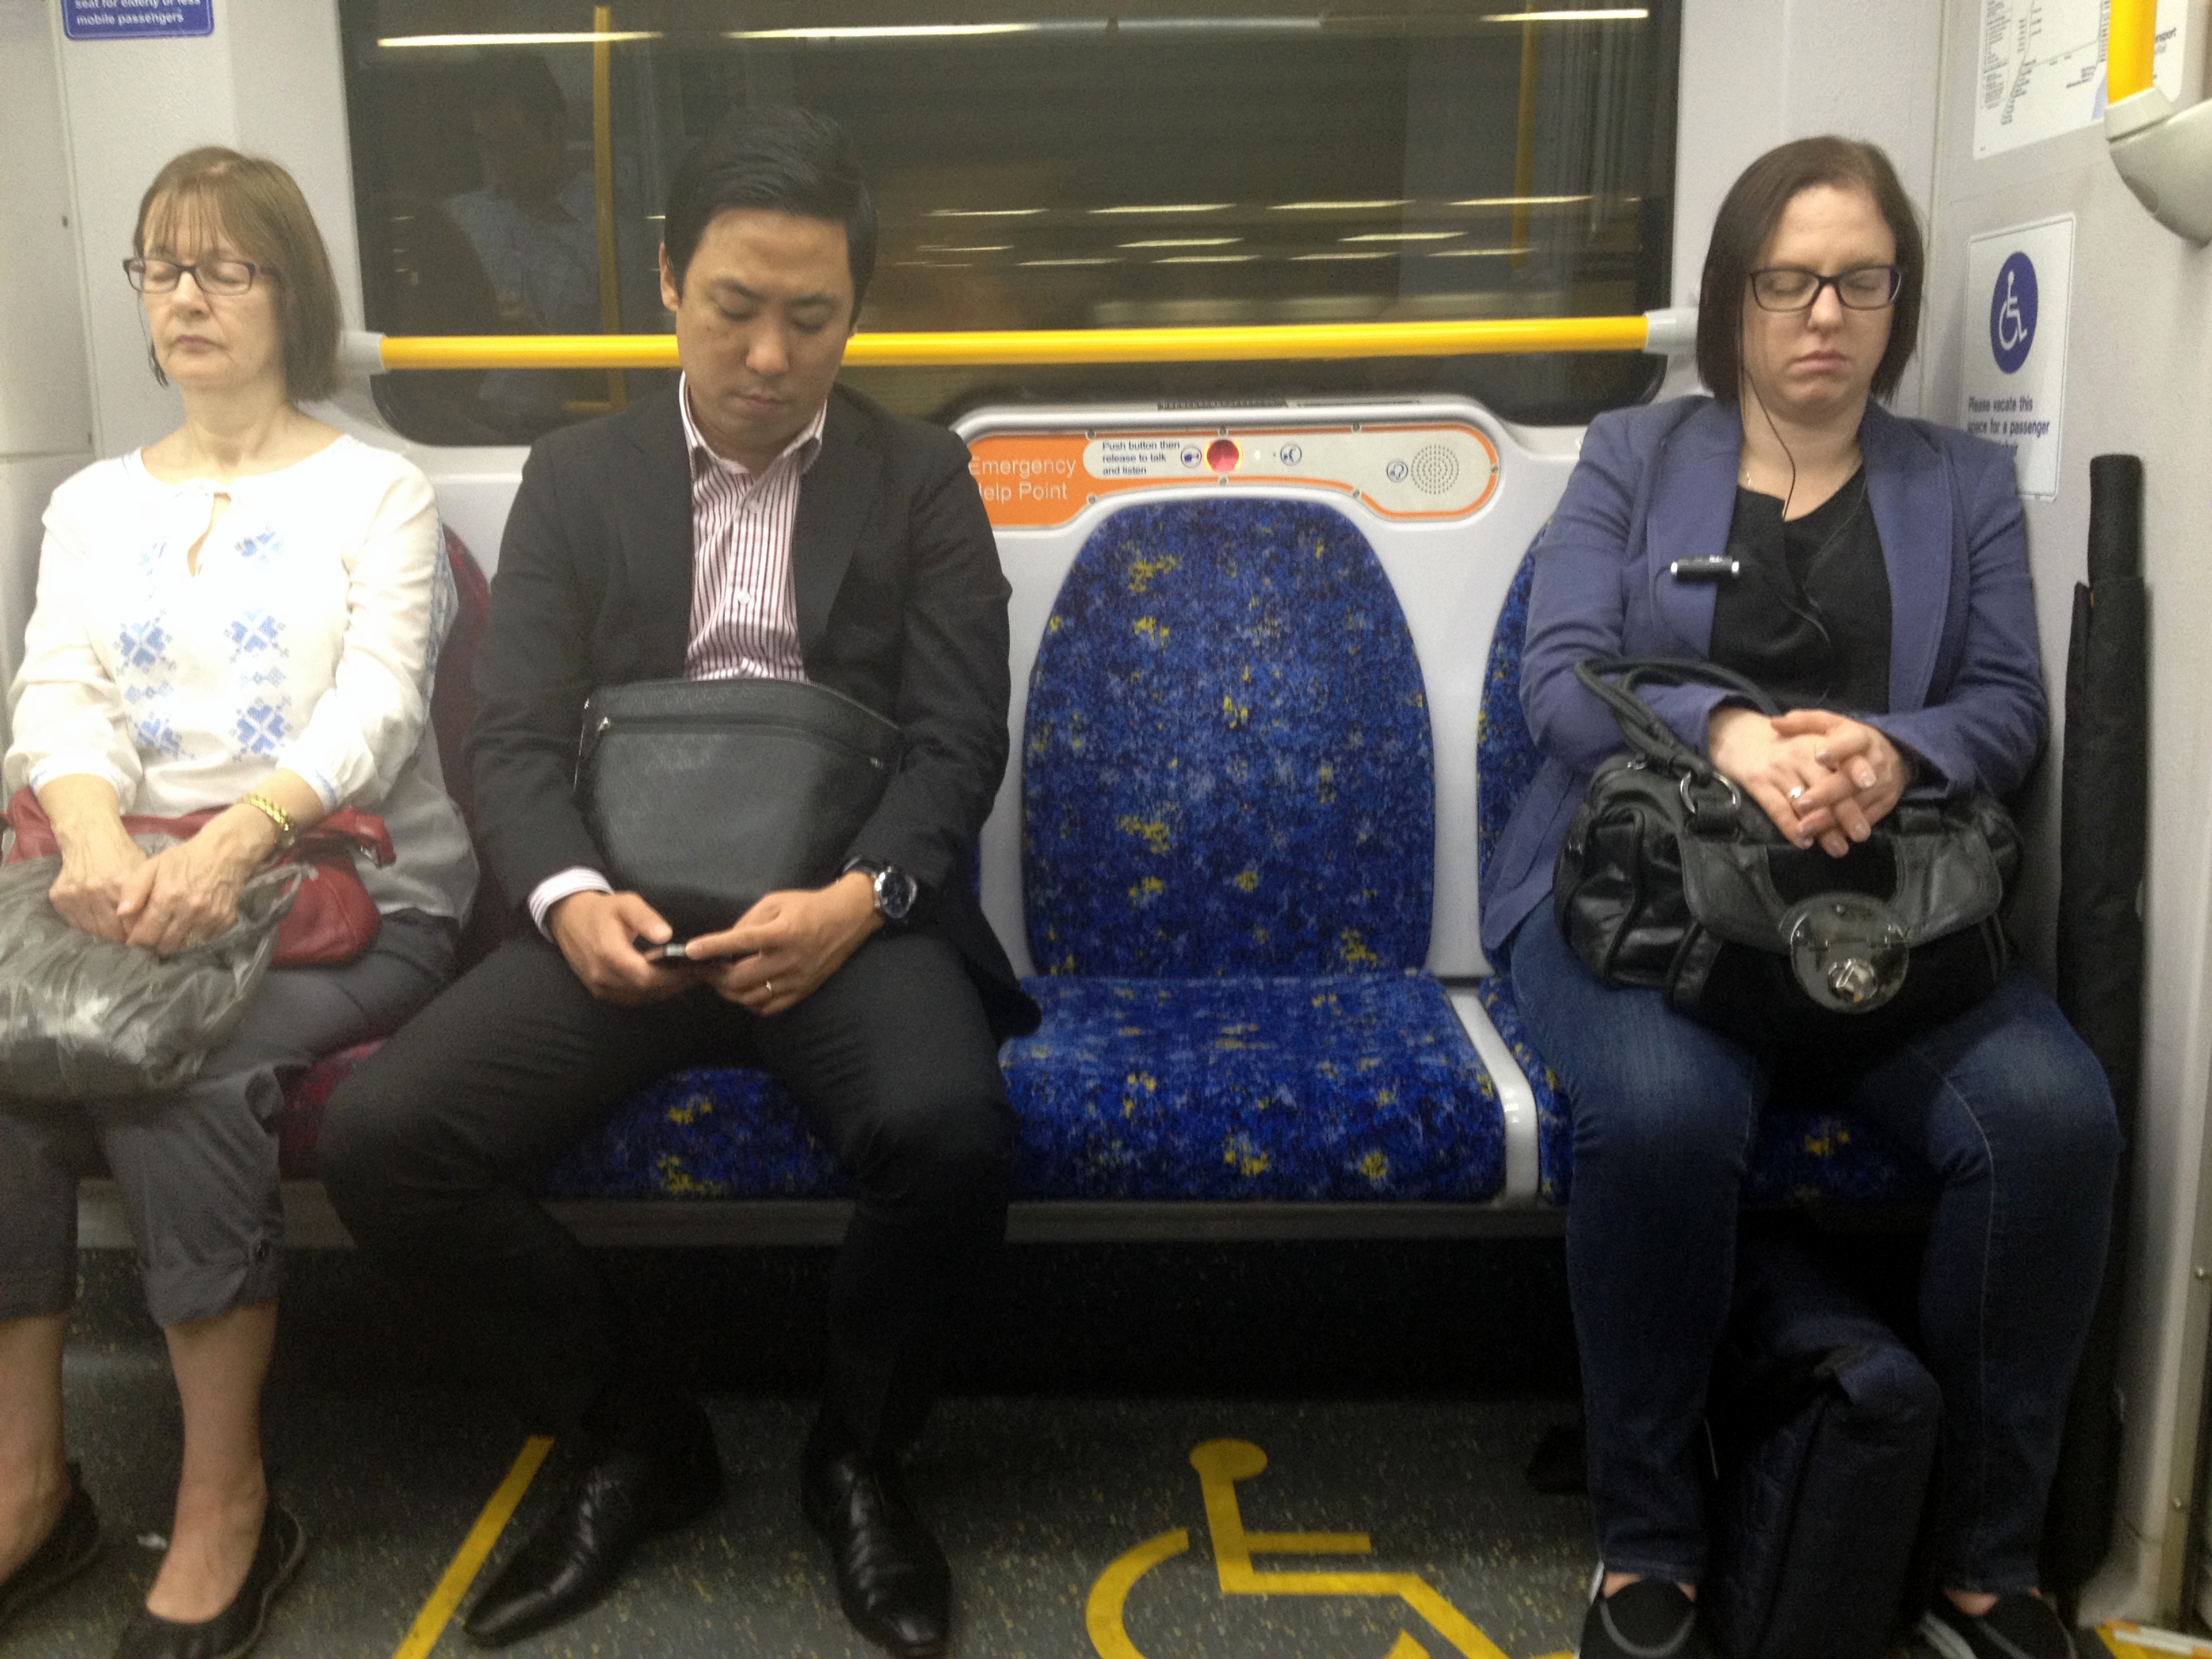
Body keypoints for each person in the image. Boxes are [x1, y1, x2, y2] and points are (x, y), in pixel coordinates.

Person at [319, 108, 1038, 1658]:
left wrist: (860, 900)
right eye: (735, 307)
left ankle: (859, 1457)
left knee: (951, 1130)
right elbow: (513, 740)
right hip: (624, 908)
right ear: (666, 281)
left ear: (857, 309)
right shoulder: (579, 476)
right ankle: (635, 1434)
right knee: (385, 1142)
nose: (771, 355)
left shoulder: (921, 478)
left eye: (812, 317)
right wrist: (568, 897)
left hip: (840, 912)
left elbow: (956, 739)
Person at [1479, 136, 2119, 1659]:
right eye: (1789, 281)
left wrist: (1893, 755)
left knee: (2057, 1121)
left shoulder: (1962, 484)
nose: (1825, 312)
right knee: (1664, 1114)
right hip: (1644, 897)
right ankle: (1651, 1536)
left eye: (1860, 280)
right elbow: (1562, 681)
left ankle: (1983, 1558)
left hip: (1883, 903)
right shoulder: (1636, 456)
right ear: (1734, 298)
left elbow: (2008, 707)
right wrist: (1726, 732)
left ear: (1899, 299)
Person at [0, 148, 476, 1657]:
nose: (188, 297)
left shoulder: (377, 491)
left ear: (293, 295)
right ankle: (29, 1484)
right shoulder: (89, 504)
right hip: (125, 887)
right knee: (5, 1077)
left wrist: (228, 847)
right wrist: (92, 841)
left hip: (349, 892)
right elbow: (57, 695)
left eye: (227, 268)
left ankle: (227, 1502)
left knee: (181, 1073)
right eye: (162, 267)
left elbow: (377, 711)